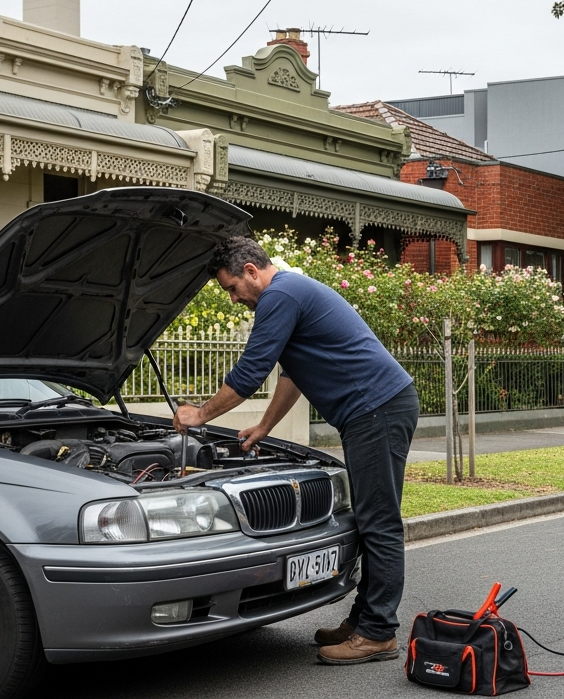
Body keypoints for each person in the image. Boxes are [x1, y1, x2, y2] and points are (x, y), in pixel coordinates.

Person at [173, 236, 418, 665]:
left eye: (232, 288)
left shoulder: (280, 294)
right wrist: (265, 426)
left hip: (376, 409)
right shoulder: (291, 292)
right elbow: (293, 374)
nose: (233, 299)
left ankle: (379, 632)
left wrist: (201, 415)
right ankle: (365, 622)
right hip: (376, 409)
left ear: (251, 270)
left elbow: (251, 371)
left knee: (380, 522)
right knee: (368, 517)